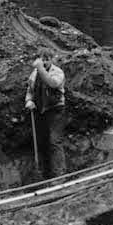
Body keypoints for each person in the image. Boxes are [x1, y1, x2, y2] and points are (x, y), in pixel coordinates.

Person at [24, 47, 67, 179]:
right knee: (42, 142)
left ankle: (59, 176)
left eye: (47, 59)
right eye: (42, 59)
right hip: (41, 111)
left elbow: (52, 83)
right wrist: (29, 100)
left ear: (52, 59)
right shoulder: (34, 74)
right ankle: (45, 174)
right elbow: (30, 89)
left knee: (54, 141)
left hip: (55, 110)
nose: (44, 62)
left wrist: (40, 69)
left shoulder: (57, 72)